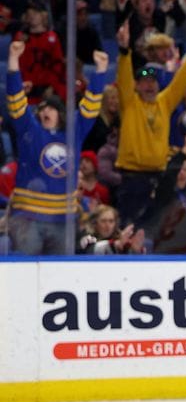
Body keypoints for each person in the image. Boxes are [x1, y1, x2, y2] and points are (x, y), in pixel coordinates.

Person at [5, 41, 109, 255]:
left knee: (59, 275)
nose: (45, 112)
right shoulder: (31, 131)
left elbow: (90, 108)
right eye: (42, 109)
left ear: (60, 114)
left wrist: (100, 72)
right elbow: (15, 101)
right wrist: (13, 61)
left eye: (50, 108)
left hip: (63, 219)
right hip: (28, 218)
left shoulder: (73, 133)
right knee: (26, 274)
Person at [114, 21, 186, 228]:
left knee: (157, 229)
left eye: (152, 82)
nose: (149, 85)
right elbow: (123, 79)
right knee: (130, 229)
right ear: (137, 85)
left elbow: (180, 81)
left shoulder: (164, 102)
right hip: (132, 179)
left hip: (158, 178)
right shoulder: (129, 103)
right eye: (144, 82)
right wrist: (125, 52)